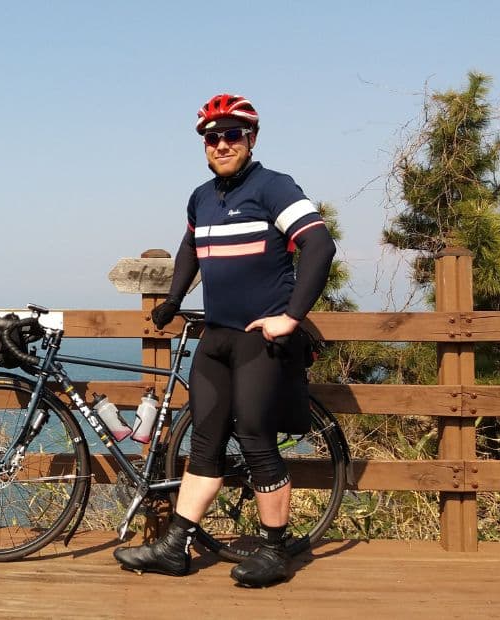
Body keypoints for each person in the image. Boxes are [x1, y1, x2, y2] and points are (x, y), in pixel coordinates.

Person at [114, 93, 336, 588]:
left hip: (262, 339)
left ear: (251, 139)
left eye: (232, 134)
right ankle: (176, 547)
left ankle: (275, 551)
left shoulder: (274, 188)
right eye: (212, 138)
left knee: (257, 438)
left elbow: (320, 245)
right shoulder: (201, 196)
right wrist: (172, 299)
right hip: (216, 339)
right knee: (206, 443)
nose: (221, 144)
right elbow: (190, 246)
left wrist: (291, 317)